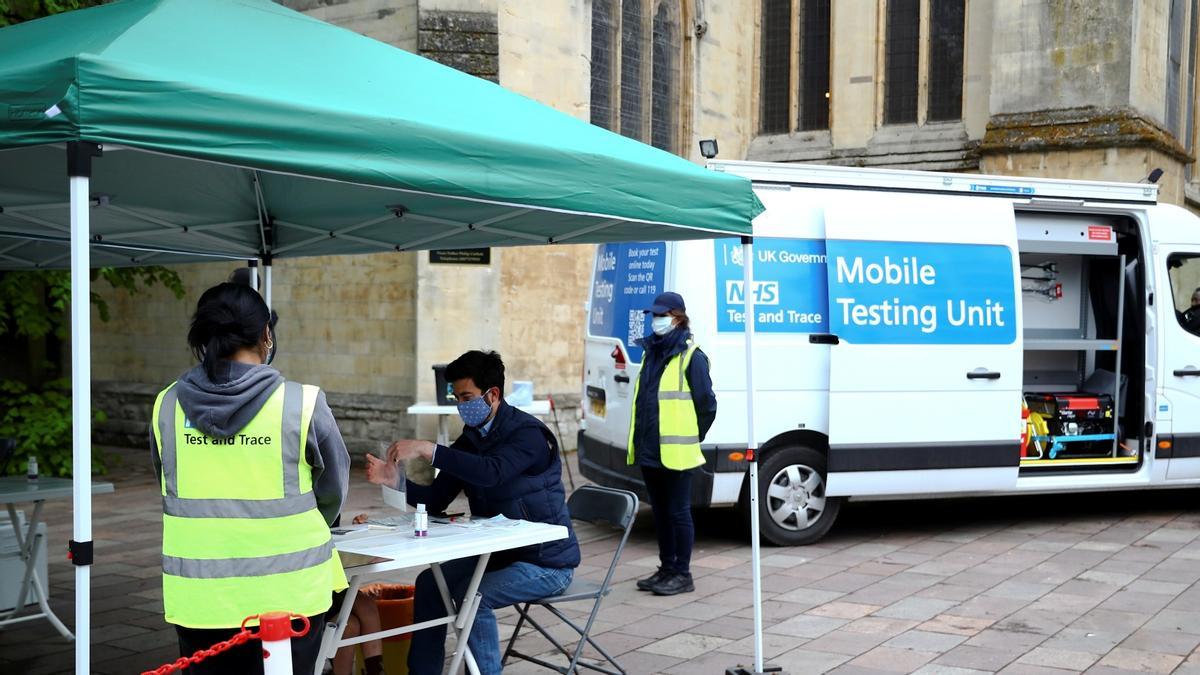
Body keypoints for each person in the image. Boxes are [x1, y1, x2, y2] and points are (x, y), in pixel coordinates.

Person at [150, 282, 350, 675]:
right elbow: (333, 492)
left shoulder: (167, 405)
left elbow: (168, 485)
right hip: (291, 596)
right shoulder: (302, 402)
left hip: (200, 599)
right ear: (266, 335)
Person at [365, 350, 579, 675]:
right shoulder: (471, 440)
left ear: (492, 394)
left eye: (467, 396)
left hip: (546, 561)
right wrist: (397, 483)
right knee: (429, 583)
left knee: (471, 595)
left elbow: (492, 472)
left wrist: (430, 449)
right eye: (457, 397)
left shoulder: (528, 434)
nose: (461, 405)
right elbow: (437, 499)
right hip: (497, 553)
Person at [629, 292, 717, 596]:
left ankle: (682, 573)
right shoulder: (650, 353)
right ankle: (666, 568)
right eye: (654, 316)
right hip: (651, 450)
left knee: (678, 513)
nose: (656, 321)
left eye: (661, 315)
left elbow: (707, 405)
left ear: (678, 317)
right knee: (661, 512)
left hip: (677, 452)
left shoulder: (692, 357)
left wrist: (693, 435)